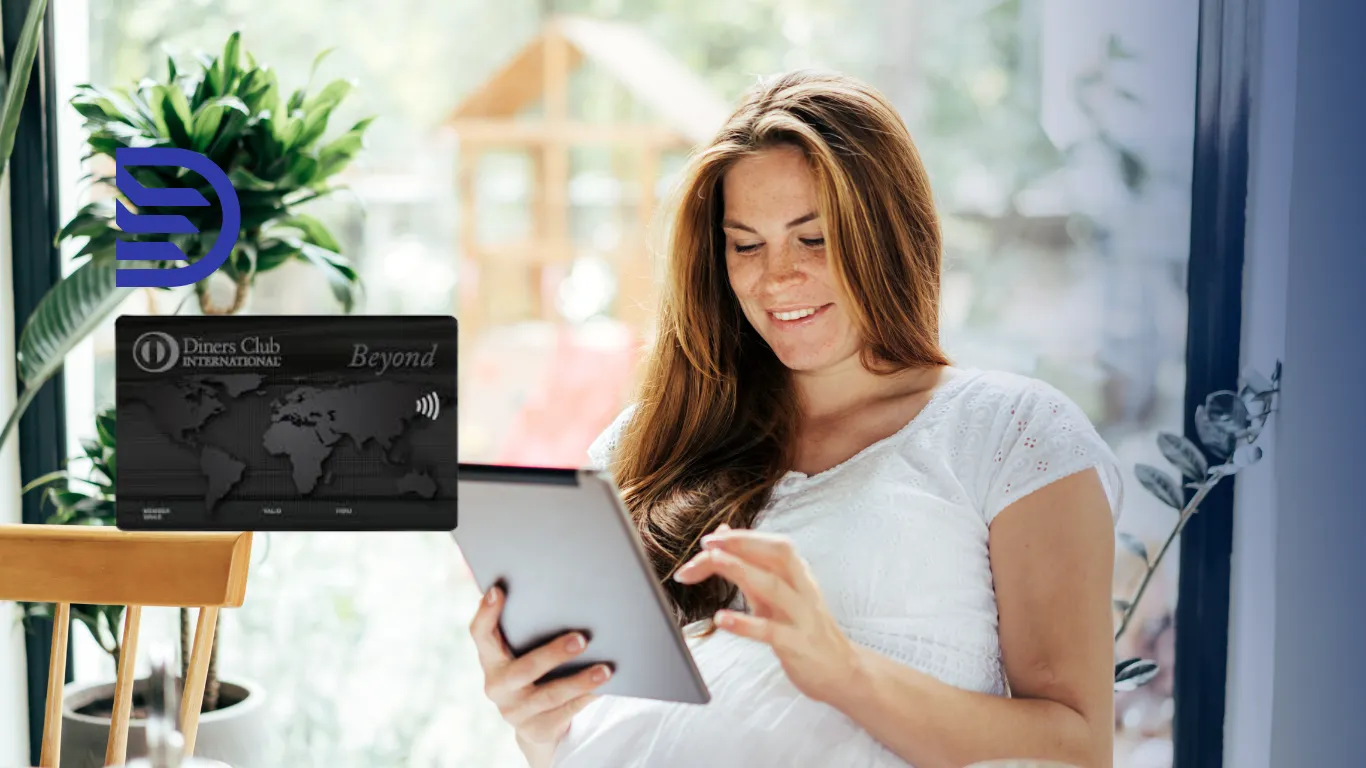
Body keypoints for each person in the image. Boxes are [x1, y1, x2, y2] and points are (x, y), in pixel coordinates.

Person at [468, 69, 1124, 768]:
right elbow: (612, 732)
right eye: (746, 245)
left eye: (813, 239)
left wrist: (843, 671)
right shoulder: (645, 443)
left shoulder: (1009, 432)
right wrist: (540, 725)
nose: (776, 277)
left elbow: (1075, 749)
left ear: (889, 236)